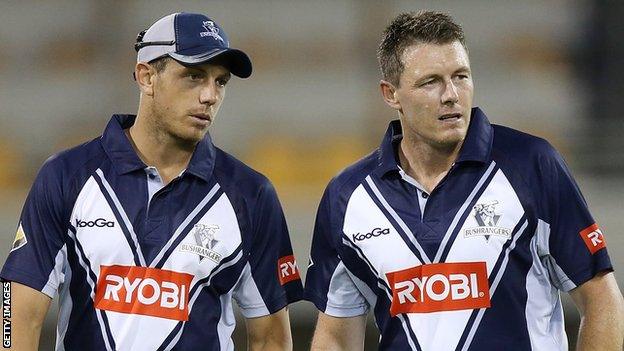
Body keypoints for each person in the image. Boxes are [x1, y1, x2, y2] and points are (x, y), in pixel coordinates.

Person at [304, 10, 624, 350]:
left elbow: (602, 299)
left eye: (461, 76)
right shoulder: (349, 196)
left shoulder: (532, 166)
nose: (451, 95)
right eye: (431, 82)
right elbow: (336, 337)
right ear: (390, 93)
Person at [0, 12, 303, 350]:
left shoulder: (251, 194)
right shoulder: (66, 176)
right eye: (193, 76)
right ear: (146, 77)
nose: (210, 96)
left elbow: (272, 338)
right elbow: (16, 314)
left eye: (220, 81)